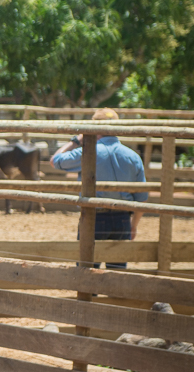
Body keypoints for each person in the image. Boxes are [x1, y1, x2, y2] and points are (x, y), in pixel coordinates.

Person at [51, 107, 148, 269]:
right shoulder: (133, 156)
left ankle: (89, 295)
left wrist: (76, 140)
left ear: (95, 128)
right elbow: (142, 198)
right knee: (117, 272)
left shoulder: (88, 152)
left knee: (87, 268)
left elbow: (55, 160)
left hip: (93, 216)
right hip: (122, 217)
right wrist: (133, 225)